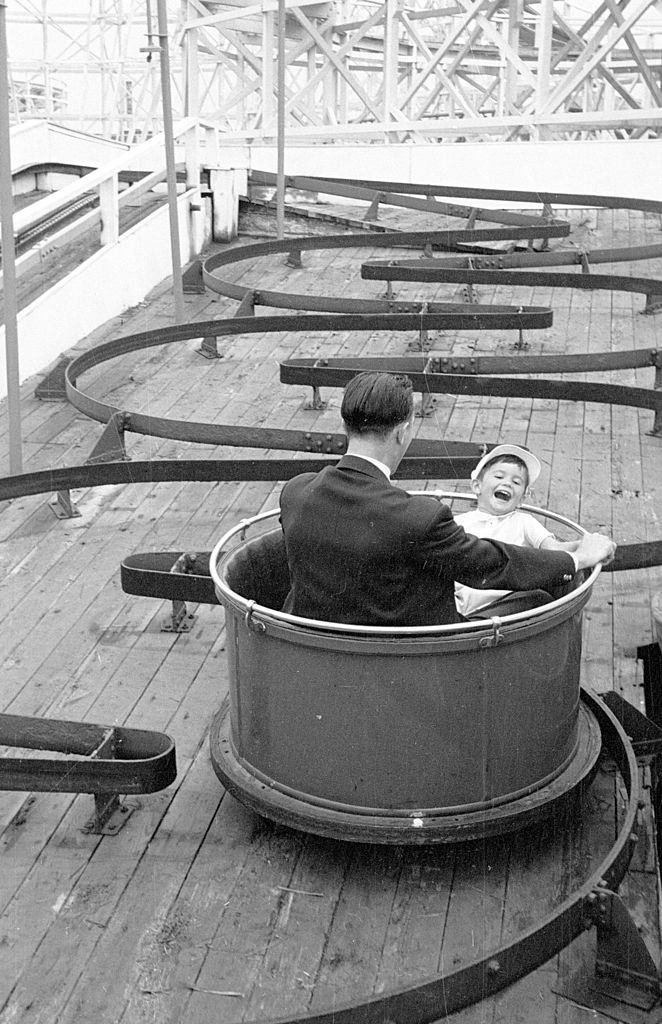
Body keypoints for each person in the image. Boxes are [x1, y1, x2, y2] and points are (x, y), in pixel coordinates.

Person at [279, 372, 616, 627]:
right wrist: (577, 558)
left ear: (344, 425)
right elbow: (493, 565)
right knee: (539, 599)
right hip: (416, 658)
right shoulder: (418, 517)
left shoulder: (295, 492)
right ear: (403, 432)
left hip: (317, 648)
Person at [454, 444, 580, 619]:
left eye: (516, 482)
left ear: (522, 498)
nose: (507, 483)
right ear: (477, 486)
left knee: (538, 598)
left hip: (503, 607)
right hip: (458, 605)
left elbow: (554, 549)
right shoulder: (459, 522)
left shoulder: (524, 522)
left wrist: (582, 547)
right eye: (499, 476)